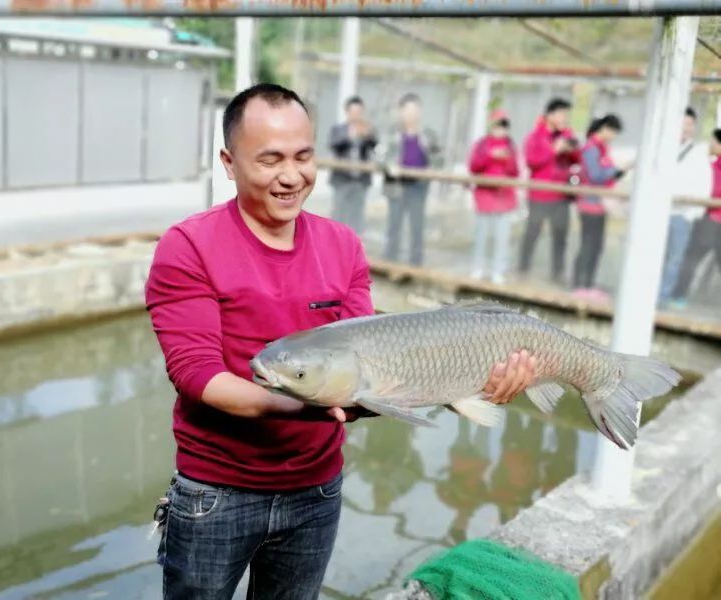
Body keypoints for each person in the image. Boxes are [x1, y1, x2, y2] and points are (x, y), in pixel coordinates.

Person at [144, 83, 537, 599]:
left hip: (316, 491)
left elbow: (373, 373)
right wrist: (308, 405)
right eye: (269, 160)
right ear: (229, 161)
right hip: (216, 494)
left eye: (303, 156)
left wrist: (472, 384)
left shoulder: (342, 245)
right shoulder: (189, 246)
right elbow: (197, 375)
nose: (291, 175)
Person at [518, 98, 581, 285]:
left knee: (560, 235)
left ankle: (557, 273)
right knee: (532, 232)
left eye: (566, 115)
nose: (564, 118)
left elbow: (577, 159)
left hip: (561, 195)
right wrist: (554, 149)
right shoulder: (536, 136)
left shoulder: (566, 135)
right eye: (561, 114)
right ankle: (523, 269)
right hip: (540, 195)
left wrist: (570, 147)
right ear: (550, 115)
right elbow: (532, 162)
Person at [658, 107, 713, 305]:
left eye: (689, 124)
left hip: (682, 215)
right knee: (655, 255)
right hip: (659, 212)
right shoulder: (661, 148)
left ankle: (662, 297)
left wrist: (692, 213)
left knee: (675, 258)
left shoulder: (697, 153)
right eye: (682, 124)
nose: (685, 128)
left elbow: (704, 185)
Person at [381, 93, 443, 266]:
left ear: (420, 112)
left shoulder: (428, 135)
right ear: (401, 112)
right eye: (407, 110)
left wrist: (432, 167)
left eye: (415, 110)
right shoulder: (392, 133)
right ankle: (390, 262)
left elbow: (440, 158)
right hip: (396, 186)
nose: (411, 114)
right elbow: (380, 156)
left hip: (418, 187)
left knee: (417, 227)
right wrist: (390, 166)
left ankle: (415, 263)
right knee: (394, 225)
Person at [572, 114, 626, 302]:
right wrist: (614, 171)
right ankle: (579, 284)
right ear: (604, 128)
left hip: (601, 204)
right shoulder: (591, 148)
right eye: (612, 132)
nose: (612, 136)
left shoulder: (602, 149)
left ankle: (588, 283)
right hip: (589, 203)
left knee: (597, 245)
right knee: (588, 244)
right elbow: (595, 175)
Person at [668, 127, 721, 308]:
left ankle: (678, 295)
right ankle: (678, 296)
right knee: (691, 260)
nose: (711, 145)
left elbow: (709, 190)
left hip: (710, 221)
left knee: (691, 259)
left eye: (714, 142)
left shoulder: (712, 168)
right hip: (709, 220)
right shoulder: (710, 165)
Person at [468, 108, 520, 285]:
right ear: (491, 126)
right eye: (498, 124)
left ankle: (498, 270)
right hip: (484, 197)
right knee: (482, 235)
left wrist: (507, 159)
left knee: (502, 237)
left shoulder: (511, 147)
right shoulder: (482, 145)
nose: (501, 129)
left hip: (504, 199)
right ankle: (478, 267)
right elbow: (474, 166)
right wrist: (490, 156)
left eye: (504, 125)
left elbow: (515, 172)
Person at [328, 96, 378, 235]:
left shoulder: (367, 130)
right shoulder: (338, 129)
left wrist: (367, 135)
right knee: (338, 214)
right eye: (353, 112)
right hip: (342, 179)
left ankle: (354, 246)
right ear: (347, 112)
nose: (356, 115)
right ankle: (334, 244)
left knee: (357, 216)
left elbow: (375, 145)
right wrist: (350, 136)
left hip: (360, 181)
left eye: (359, 112)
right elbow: (334, 145)